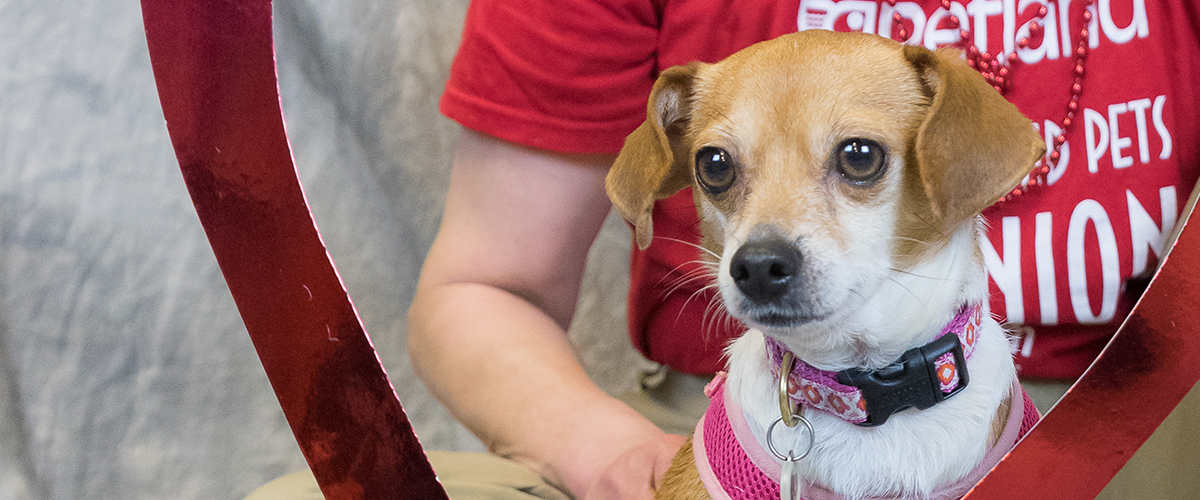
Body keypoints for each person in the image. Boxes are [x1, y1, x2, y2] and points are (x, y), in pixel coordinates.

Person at [251, 0, 1200, 498]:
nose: (762, 244)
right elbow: (480, 285)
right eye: (720, 170)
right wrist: (616, 457)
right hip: (728, 422)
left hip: (1123, 418)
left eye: (856, 160)